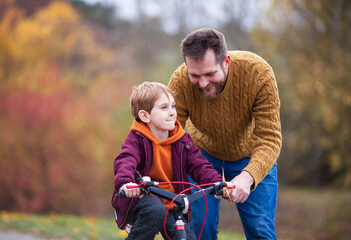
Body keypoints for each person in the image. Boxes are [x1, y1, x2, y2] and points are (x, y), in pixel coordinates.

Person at [168, 28, 282, 240]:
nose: (202, 83)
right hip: (200, 154)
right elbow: (169, 135)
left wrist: (248, 177)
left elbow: (270, 138)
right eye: (195, 75)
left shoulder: (259, 73)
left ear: (226, 61)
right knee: (201, 228)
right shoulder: (180, 80)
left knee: (260, 229)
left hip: (251, 153)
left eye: (210, 74)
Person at [111, 81, 233, 240]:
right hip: (141, 200)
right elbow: (125, 161)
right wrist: (126, 183)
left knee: (185, 237)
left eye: (173, 106)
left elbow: (199, 165)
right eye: (164, 107)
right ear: (145, 116)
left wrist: (217, 183)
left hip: (172, 202)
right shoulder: (136, 139)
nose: (172, 112)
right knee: (155, 210)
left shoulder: (182, 140)